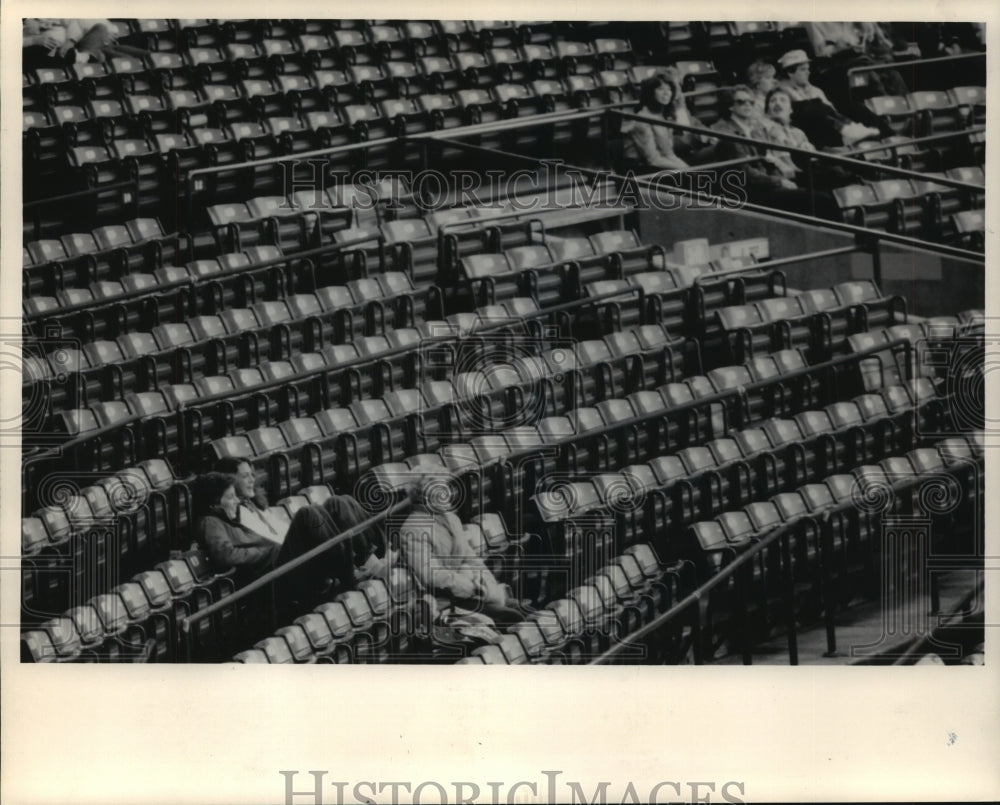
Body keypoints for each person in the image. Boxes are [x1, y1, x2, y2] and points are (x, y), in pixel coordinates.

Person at [214, 456, 389, 583]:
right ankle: (353, 570)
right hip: (277, 568)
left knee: (339, 502)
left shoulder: (256, 505)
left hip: (290, 551)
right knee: (308, 513)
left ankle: (380, 554)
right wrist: (264, 550)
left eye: (252, 475)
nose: (252, 480)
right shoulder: (229, 514)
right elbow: (230, 552)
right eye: (245, 476)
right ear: (228, 480)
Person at [396, 469, 527, 627]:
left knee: (521, 607)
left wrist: (489, 588)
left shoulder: (451, 518)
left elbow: (471, 558)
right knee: (511, 616)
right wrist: (472, 589)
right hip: (444, 600)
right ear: (425, 496)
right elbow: (432, 575)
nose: (448, 494)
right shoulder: (412, 529)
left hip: (471, 591)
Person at [710, 85, 840, 221]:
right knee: (822, 201)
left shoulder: (754, 130)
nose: (748, 105)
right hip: (753, 193)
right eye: (741, 102)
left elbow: (768, 161)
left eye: (751, 102)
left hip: (767, 184)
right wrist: (780, 181)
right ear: (730, 106)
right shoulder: (729, 134)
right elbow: (747, 174)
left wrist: (782, 179)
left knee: (827, 193)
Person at [776, 49, 882, 149]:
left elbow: (831, 110)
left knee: (857, 109)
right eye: (803, 70)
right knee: (814, 105)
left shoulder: (815, 90)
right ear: (790, 73)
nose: (808, 72)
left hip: (828, 130)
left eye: (808, 69)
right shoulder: (782, 91)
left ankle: (851, 128)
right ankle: (848, 130)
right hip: (806, 132)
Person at [620, 76, 690, 172]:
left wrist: (689, 169)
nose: (666, 93)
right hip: (640, 167)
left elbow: (668, 153)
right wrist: (685, 169)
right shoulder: (642, 119)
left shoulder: (666, 115)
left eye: (669, 89)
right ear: (650, 93)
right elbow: (652, 160)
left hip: (662, 162)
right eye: (660, 89)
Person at [745, 60, 779, 125]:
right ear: (757, 83)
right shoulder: (754, 105)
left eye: (773, 77)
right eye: (768, 78)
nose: (774, 81)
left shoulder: (771, 100)